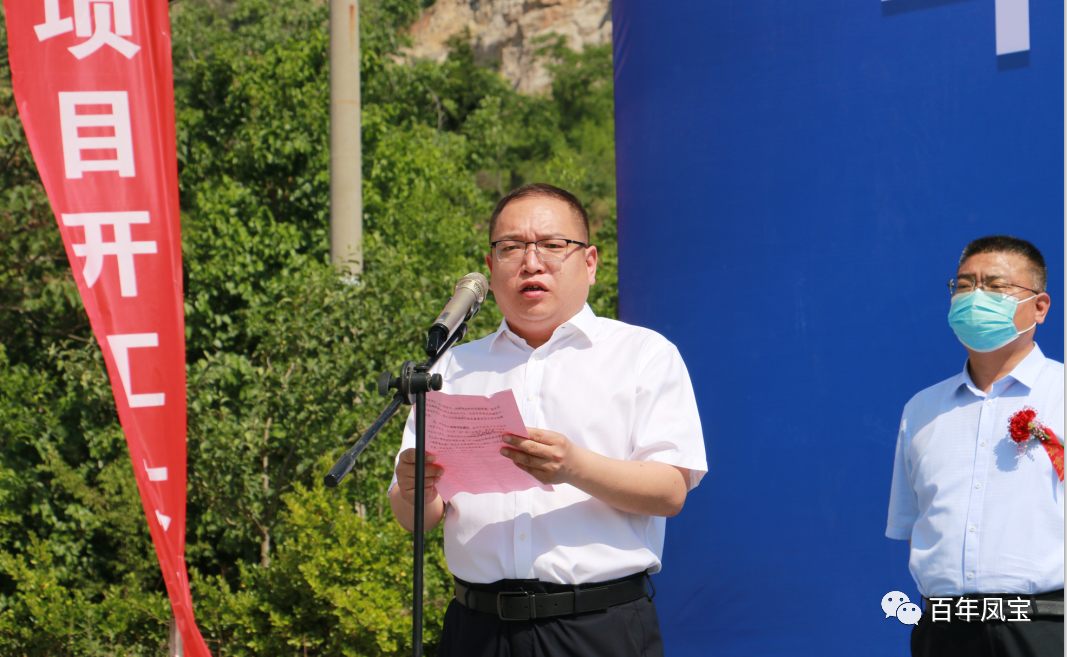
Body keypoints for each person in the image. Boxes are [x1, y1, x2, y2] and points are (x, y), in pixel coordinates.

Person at [388, 183, 707, 657]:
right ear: (491, 266)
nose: (531, 262)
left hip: (599, 627)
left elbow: (670, 491)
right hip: (477, 630)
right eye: (511, 247)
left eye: (553, 245)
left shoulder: (643, 355)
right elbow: (415, 517)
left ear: (590, 262)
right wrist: (416, 490)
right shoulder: (451, 368)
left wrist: (574, 466)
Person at [886, 235, 1064, 657]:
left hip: (1045, 627)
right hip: (944, 632)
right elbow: (918, 525)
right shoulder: (922, 409)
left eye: (996, 285)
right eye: (964, 285)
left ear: (1040, 307)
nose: (975, 297)